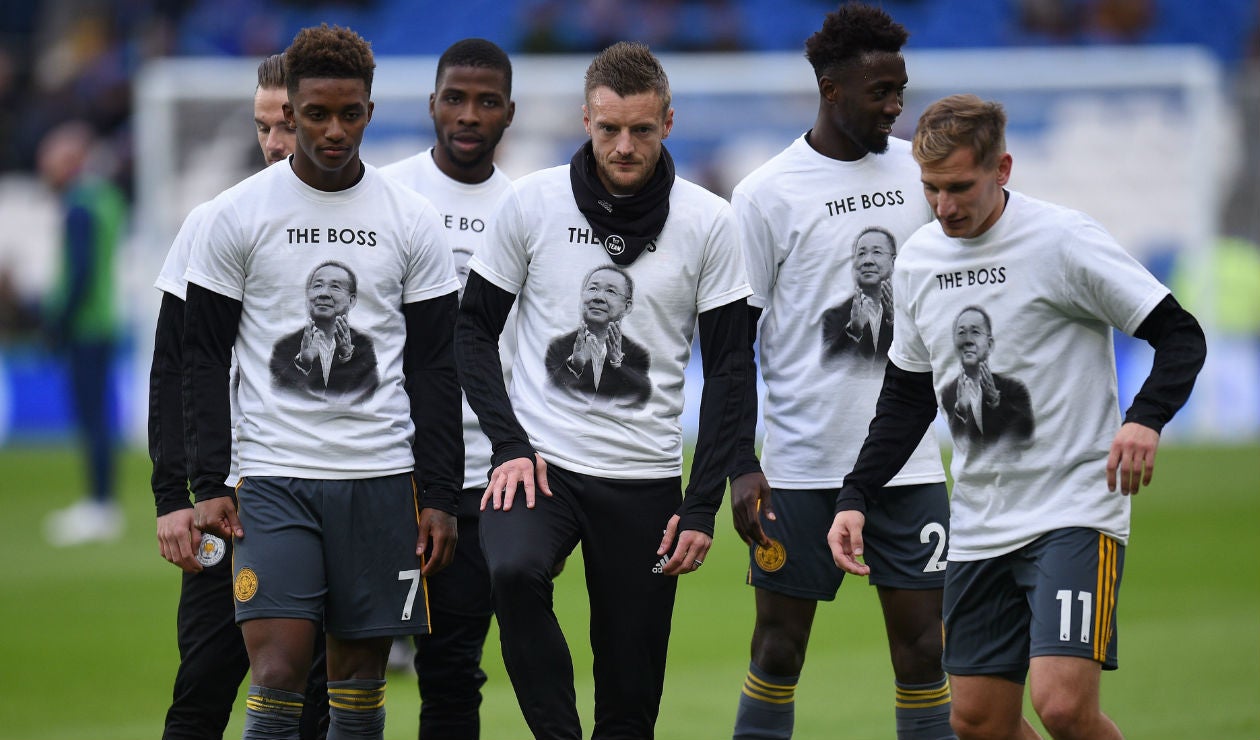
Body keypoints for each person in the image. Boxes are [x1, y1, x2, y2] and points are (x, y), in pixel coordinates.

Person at [827, 94, 1206, 740]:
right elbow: (908, 395)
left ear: (1002, 168)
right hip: (979, 521)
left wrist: (1145, 419)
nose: (944, 206)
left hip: (1075, 509)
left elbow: (1180, 335)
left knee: (1060, 705)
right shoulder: (918, 259)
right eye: (931, 188)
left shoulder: (1063, 240)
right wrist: (856, 494)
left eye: (959, 187)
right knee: (977, 722)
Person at [456, 40, 751, 739]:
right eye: (609, 128)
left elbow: (734, 371)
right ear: (586, 119)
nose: (624, 145)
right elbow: (471, 332)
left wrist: (702, 502)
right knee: (514, 574)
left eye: (641, 130)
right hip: (540, 469)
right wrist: (509, 445)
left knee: (629, 701)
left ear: (668, 124)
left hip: (644, 481)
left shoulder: (710, 222)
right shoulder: (530, 203)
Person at [183, 24, 463, 740]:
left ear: (369, 110)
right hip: (274, 482)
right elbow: (204, 357)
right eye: (315, 114)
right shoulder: (235, 216)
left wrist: (437, 495)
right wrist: (209, 482)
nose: (333, 131)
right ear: (292, 111)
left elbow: (434, 367)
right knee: (276, 674)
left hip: (379, 481)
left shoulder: (412, 221)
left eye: (349, 114)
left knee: (360, 685)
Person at [727, 5, 954, 739]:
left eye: (901, 89)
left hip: (908, 460)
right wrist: (738, 462)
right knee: (778, 648)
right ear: (830, 90)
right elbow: (735, 341)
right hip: (801, 466)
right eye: (880, 92)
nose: (896, 106)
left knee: (924, 650)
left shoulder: (921, 175)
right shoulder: (766, 193)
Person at [148, 53, 330, 740]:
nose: (275, 143)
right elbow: (172, 368)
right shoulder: (215, 221)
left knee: (317, 694)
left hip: (329, 495)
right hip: (231, 501)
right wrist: (173, 495)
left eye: (286, 124)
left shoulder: (368, 225)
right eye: (263, 127)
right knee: (203, 685)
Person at [378, 37, 515, 739]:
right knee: (339, 672)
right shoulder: (385, 194)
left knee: (454, 675)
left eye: (486, 101)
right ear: (432, 103)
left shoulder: (528, 209)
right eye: (455, 99)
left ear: (508, 114)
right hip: (377, 467)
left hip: (476, 483)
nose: (468, 114)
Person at [39, 120, 127, 547]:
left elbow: (80, 271)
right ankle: (102, 503)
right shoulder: (107, 198)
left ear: (70, 162)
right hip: (107, 319)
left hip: (86, 325)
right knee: (100, 417)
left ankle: (98, 505)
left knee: (90, 416)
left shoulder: (79, 205)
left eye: (51, 161)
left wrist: (57, 323)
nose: (46, 170)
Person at [269, 260, 379, 403]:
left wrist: (346, 358)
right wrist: (303, 363)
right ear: (307, 296)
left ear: (351, 300)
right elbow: (278, 395)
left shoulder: (363, 345)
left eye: (335, 287)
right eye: (318, 285)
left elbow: (367, 397)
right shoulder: (284, 346)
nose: (324, 293)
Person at [544, 264, 652, 407]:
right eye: (593, 288)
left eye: (611, 291)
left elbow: (641, 396)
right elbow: (550, 393)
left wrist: (617, 365)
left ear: (627, 306)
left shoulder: (638, 354)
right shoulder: (558, 347)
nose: (599, 297)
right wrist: (575, 365)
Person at [940, 305, 1035, 452]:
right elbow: (960, 447)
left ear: (990, 345)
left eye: (975, 332)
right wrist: (961, 410)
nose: (968, 341)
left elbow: (1024, 435)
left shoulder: (1014, 389)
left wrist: (995, 402)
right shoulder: (949, 393)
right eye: (961, 333)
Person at [821, 226, 897, 365]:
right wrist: (853, 332)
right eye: (861, 254)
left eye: (877, 252)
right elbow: (827, 365)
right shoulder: (833, 317)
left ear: (893, 262)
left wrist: (894, 322)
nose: (868, 260)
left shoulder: (909, 310)